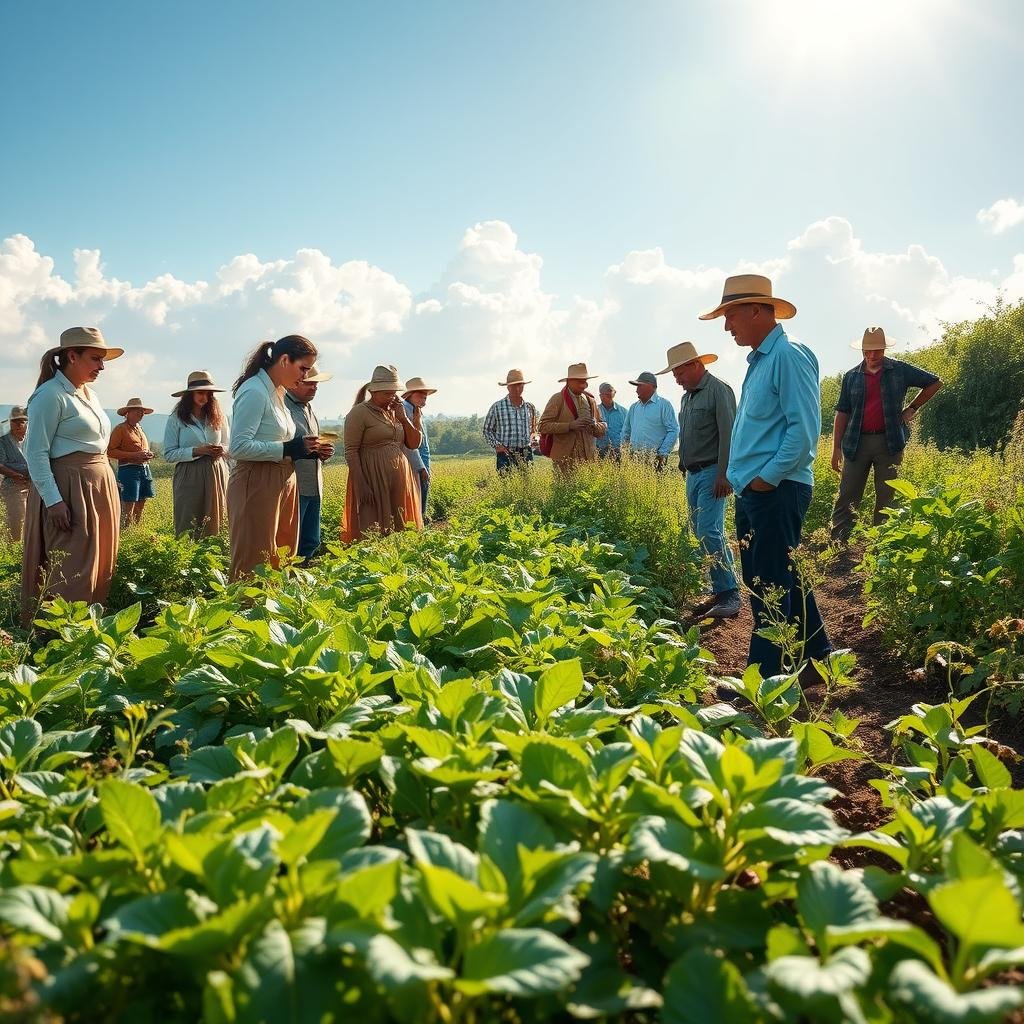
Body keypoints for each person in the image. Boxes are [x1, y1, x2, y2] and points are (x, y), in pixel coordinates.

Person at [700, 274, 831, 676]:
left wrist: (767, 478)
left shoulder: (788, 356)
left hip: (776, 488)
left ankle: (767, 678)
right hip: (758, 488)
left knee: (767, 582)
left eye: (731, 316)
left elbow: (804, 430)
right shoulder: (761, 361)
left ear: (756, 311)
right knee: (780, 576)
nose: (727, 326)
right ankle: (815, 658)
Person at [21, 327, 123, 627]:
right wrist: (54, 501)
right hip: (69, 488)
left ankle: (89, 631)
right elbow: (35, 452)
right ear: (72, 356)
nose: (101, 367)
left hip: (97, 485)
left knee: (99, 560)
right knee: (73, 564)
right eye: (95, 359)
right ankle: (60, 637)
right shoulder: (49, 396)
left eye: (103, 360)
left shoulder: (88, 394)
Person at [830, 328, 943, 542]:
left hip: (889, 442)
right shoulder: (851, 376)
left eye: (877, 351)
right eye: (867, 351)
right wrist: (836, 448)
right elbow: (842, 411)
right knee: (847, 495)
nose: (872, 356)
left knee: (886, 497)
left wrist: (912, 408)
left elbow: (935, 382)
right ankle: (838, 546)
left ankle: (882, 547)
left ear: (884, 349)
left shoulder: (899, 369)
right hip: (856, 443)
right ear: (862, 350)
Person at [228, 335, 324, 580]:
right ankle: (244, 613)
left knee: (280, 555)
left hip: (283, 478)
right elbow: (238, 447)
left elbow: (279, 438)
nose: (305, 376)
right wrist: (288, 449)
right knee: (254, 559)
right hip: (257, 481)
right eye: (302, 368)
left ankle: (272, 610)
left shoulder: (277, 392)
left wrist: (301, 447)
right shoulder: (254, 391)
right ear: (284, 360)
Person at [658, 341, 740, 618]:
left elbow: (729, 434)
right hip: (693, 474)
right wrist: (682, 462)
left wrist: (724, 474)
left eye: (679, 374)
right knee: (703, 531)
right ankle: (721, 590)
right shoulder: (687, 397)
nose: (678, 380)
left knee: (708, 530)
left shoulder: (719, 390)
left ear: (695, 366)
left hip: (713, 472)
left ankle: (730, 594)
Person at [341, 365, 423, 543]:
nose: (391, 397)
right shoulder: (359, 413)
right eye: (387, 393)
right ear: (374, 392)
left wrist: (403, 418)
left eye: (394, 393)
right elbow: (351, 451)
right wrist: (361, 484)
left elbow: (414, 443)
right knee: (373, 527)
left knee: (401, 524)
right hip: (372, 478)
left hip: (400, 478)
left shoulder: (396, 412)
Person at [163, 370, 231, 539]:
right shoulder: (176, 419)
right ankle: (187, 558)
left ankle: (213, 558)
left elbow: (229, 445)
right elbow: (169, 454)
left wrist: (221, 449)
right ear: (190, 394)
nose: (205, 397)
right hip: (189, 472)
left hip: (216, 470)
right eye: (201, 393)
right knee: (188, 517)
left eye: (209, 393)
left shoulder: (218, 417)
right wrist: (196, 451)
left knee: (216, 516)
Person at [285, 364, 334, 561]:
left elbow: (310, 443)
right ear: (295, 383)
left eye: (316, 384)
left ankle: (305, 578)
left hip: (314, 482)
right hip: (295, 484)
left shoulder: (308, 408)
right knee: (291, 539)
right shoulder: (283, 407)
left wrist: (322, 451)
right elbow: (282, 445)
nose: (315, 388)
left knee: (311, 539)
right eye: (310, 383)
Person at [538, 363, 607, 472]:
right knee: (565, 489)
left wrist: (595, 425)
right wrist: (570, 426)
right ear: (569, 381)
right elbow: (543, 426)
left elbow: (602, 427)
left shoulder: (590, 400)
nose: (583, 385)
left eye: (584, 381)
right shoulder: (557, 399)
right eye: (579, 381)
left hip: (588, 460)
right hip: (564, 461)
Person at [108, 398, 156, 527]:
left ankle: (135, 529)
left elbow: (142, 449)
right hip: (128, 470)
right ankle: (125, 530)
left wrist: (148, 454)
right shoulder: (120, 429)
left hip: (144, 469)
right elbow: (110, 451)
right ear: (127, 413)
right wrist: (135, 455)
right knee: (128, 502)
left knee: (142, 501)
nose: (140, 414)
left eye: (142, 412)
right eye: (137, 411)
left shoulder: (139, 429)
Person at [483, 369, 538, 473]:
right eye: (513, 386)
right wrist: (497, 445)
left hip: (526, 452)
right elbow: (487, 431)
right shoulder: (497, 407)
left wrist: (533, 441)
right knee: (506, 485)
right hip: (505, 453)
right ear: (508, 387)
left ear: (523, 386)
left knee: (527, 485)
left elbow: (533, 430)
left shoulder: (530, 408)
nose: (517, 389)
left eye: (520, 385)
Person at [621, 371, 679, 469]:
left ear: (651, 386)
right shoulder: (634, 407)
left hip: (656, 459)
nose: (636, 390)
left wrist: (662, 453)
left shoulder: (664, 405)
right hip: (634, 459)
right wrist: (624, 451)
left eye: (639, 386)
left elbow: (673, 430)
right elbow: (626, 431)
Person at [402, 376, 437, 521]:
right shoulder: (405, 411)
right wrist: (421, 467)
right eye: (420, 396)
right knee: (417, 493)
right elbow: (409, 443)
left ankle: (420, 521)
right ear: (410, 394)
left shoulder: (416, 410)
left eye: (425, 397)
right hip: (415, 460)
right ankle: (418, 524)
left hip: (423, 457)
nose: (424, 400)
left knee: (423, 491)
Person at [0, 406, 30, 542]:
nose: (18, 424)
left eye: (21, 421)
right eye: (15, 421)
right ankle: (14, 553)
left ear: (26, 423)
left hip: (32, 487)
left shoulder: (31, 440)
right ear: (10, 423)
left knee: (31, 522)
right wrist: (14, 474)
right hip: (12, 487)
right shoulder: (3, 441)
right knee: (16, 521)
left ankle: (27, 553)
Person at [595, 383, 626, 460]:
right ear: (600, 396)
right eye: (605, 394)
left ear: (614, 394)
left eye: (610, 394)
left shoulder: (624, 412)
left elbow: (628, 431)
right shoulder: (594, 411)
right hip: (599, 452)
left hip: (619, 453)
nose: (608, 396)